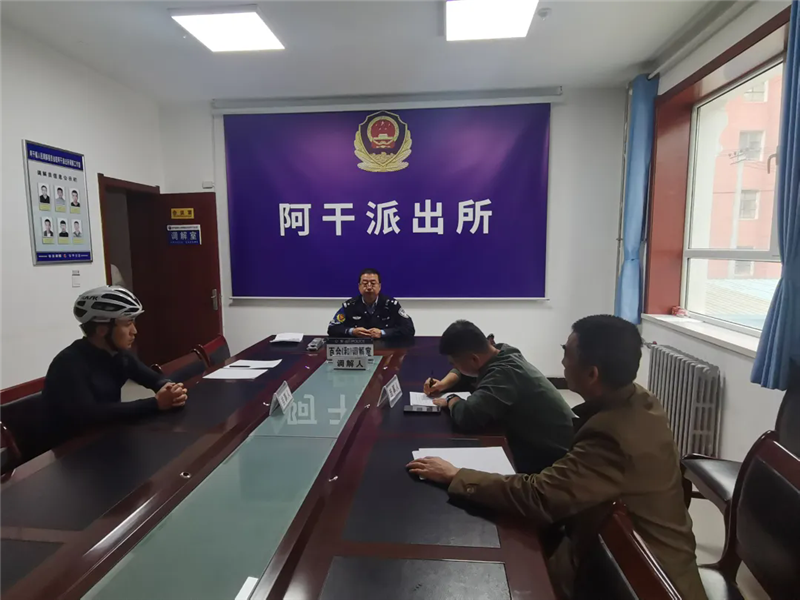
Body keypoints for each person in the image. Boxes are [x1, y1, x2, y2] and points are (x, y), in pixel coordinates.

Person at [408, 315, 707, 600]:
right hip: (632, 550)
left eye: (567, 353)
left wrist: (457, 475)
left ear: (592, 374)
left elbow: (539, 497)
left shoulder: (611, 437)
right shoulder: (638, 399)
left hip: (643, 580)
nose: (562, 361)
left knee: (512, 570)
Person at [43, 286, 188, 443]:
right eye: (127, 323)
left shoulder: (119, 355)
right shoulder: (68, 364)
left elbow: (153, 378)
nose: (134, 331)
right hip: (72, 449)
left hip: (107, 438)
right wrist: (155, 404)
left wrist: (170, 389)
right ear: (101, 330)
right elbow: (91, 415)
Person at [425, 320, 574, 474]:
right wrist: (444, 383)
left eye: (454, 364)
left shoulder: (502, 374)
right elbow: (466, 371)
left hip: (556, 460)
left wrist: (451, 399)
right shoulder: (502, 351)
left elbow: (467, 416)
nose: (454, 368)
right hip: (558, 442)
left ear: (474, 359)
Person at [327, 268, 415, 339]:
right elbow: (332, 329)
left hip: (386, 349)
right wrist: (352, 331)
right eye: (365, 283)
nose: (369, 287)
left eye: (373, 283)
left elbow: (409, 329)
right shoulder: (350, 305)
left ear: (379, 286)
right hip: (359, 349)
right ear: (359, 286)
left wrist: (382, 333)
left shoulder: (391, 305)